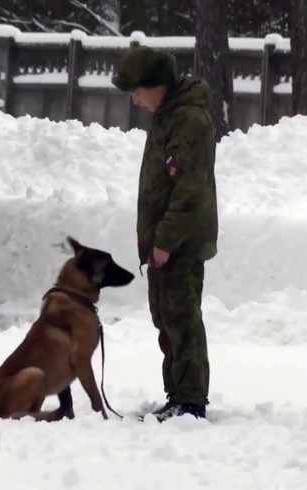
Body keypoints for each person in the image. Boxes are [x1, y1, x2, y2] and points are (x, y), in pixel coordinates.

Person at [111, 46, 218, 422]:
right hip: (166, 239)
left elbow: (190, 190)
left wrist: (166, 241)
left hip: (180, 242)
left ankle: (190, 402)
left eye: (137, 91)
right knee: (166, 318)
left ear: (158, 85)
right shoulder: (166, 116)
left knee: (181, 319)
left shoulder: (188, 120)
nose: (135, 100)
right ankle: (177, 393)